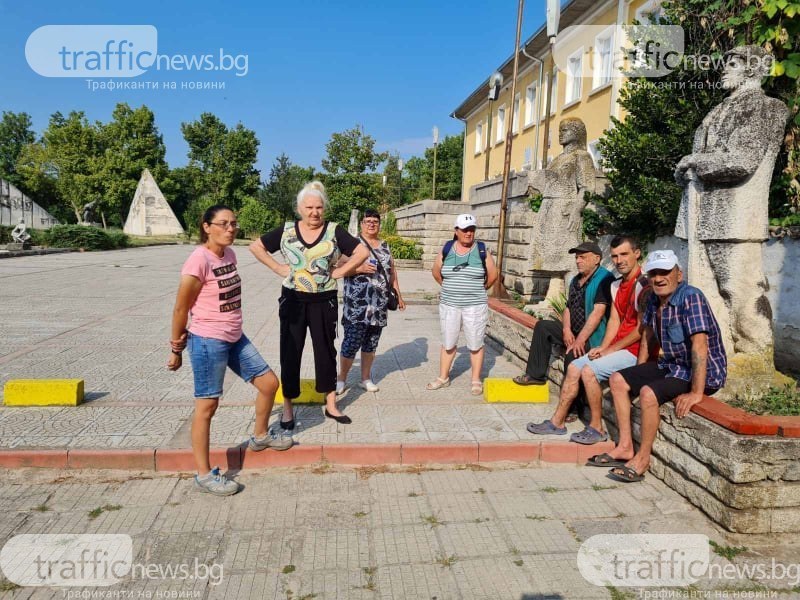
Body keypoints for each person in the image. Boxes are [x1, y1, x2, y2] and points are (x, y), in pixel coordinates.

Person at [168, 205, 291, 497]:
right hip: (208, 339)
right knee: (207, 407)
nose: (230, 228)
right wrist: (176, 348)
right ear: (206, 226)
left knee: (269, 383)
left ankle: (260, 436)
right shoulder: (198, 260)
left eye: (234, 223)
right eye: (223, 223)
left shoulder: (230, 254)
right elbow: (181, 307)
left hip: (235, 336)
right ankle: (203, 474)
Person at [249, 181, 369, 427]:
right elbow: (256, 246)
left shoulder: (334, 231)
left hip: (323, 301)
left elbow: (361, 252)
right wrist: (277, 267)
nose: (314, 212)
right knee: (290, 351)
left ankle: (331, 404)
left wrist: (342, 270)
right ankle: (288, 407)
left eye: (319, 207)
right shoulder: (287, 230)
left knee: (325, 352)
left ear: (324, 208)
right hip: (292, 300)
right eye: (309, 207)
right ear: (300, 208)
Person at [604, 250, 727, 482]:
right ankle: (625, 446)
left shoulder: (691, 297)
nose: (658, 278)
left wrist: (696, 393)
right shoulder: (653, 298)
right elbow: (647, 337)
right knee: (618, 380)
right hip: (673, 365)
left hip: (702, 371)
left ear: (678, 274)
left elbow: (700, 346)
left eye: (665, 272)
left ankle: (642, 459)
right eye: (653, 273)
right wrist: (638, 373)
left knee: (649, 394)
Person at [526, 236, 649, 446]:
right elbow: (614, 319)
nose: (619, 260)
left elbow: (641, 329)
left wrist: (607, 348)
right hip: (616, 347)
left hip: (633, 350)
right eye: (615, 256)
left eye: (624, 255)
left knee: (587, 369)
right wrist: (605, 347)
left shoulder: (643, 285)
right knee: (574, 367)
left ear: (637, 254)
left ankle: (596, 427)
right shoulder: (617, 285)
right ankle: (557, 422)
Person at [515, 242, 614, 430]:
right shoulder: (576, 280)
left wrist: (579, 339)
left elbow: (598, 313)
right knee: (543, 326)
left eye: (582, 257)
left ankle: (573, 408)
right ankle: (535, 374)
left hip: (593, 338)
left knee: (573, 355)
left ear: (596, 259)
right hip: (574, 332)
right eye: (577, 257)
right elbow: (568, 307)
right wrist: (567, 330)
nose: (578, 260)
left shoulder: (604, 279)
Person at [337, 209, 406, 394]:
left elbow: (392, 270)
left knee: (371, 343)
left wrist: (398, 293)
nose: (371, 224)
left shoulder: (385, 245)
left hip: (379, 304)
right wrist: (358, 268)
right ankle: (341, 379)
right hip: (356, 304)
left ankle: (365, 378)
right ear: (362, 224)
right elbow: (338, 267)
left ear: (379, 224)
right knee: (351, 341)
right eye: (368, 221)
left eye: (375, 221)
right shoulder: (352, 244)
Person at [428, 213, 498, 395]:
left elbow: (493, 276)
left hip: (474, 305)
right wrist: (448, 287)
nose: (469, 233)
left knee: (475, 343)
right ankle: (443, 377)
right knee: (448, 342)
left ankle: (476, 380)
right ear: (456, 231)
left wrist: (479, 289)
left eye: (472, 230)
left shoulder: (482, 250)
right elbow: (436, 272)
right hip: (449, 304)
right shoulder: (447, 248)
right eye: (465, 230)